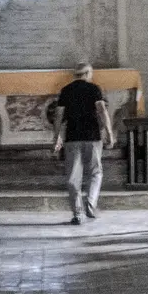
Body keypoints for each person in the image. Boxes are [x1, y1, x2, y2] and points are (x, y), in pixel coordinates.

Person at [50, 62, 114, 224]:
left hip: (72, 137)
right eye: (90, 73)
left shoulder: (66, 90)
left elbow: (58, 116)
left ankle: (77, 213)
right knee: (96, 172)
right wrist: (109, 132)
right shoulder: (94, 89)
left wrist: (56, 136)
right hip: (92, 136)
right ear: (86, 74)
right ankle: (91, 204)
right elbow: (102, 111)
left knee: (73, 176)